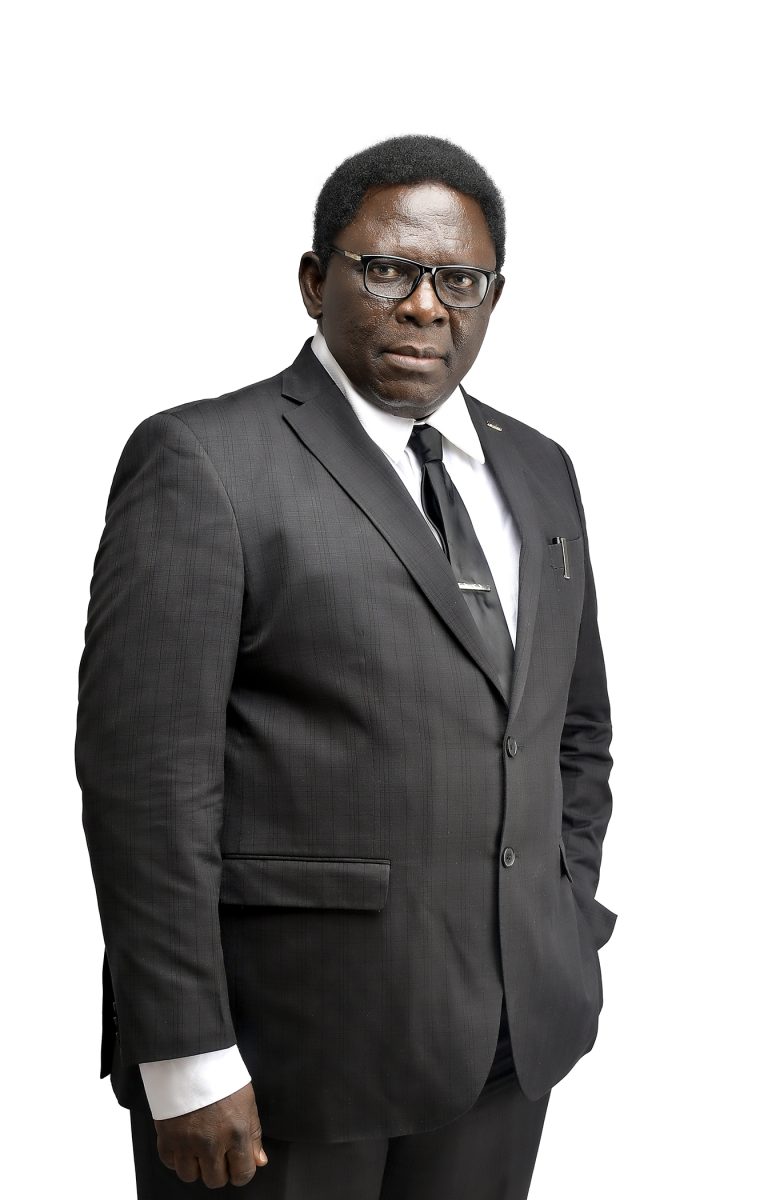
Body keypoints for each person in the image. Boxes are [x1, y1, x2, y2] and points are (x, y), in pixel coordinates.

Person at [76, 134, 616, 1199]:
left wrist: (565, 910)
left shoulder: (540, 468)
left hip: (511, 1038)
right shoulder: (204, 461)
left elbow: (571, 727)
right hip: (286, 1054)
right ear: (315, 281)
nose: (425, 306)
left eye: (459, 281)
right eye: (388, 270)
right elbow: (147, 784)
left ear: (494, 296)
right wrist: (184, 1053)